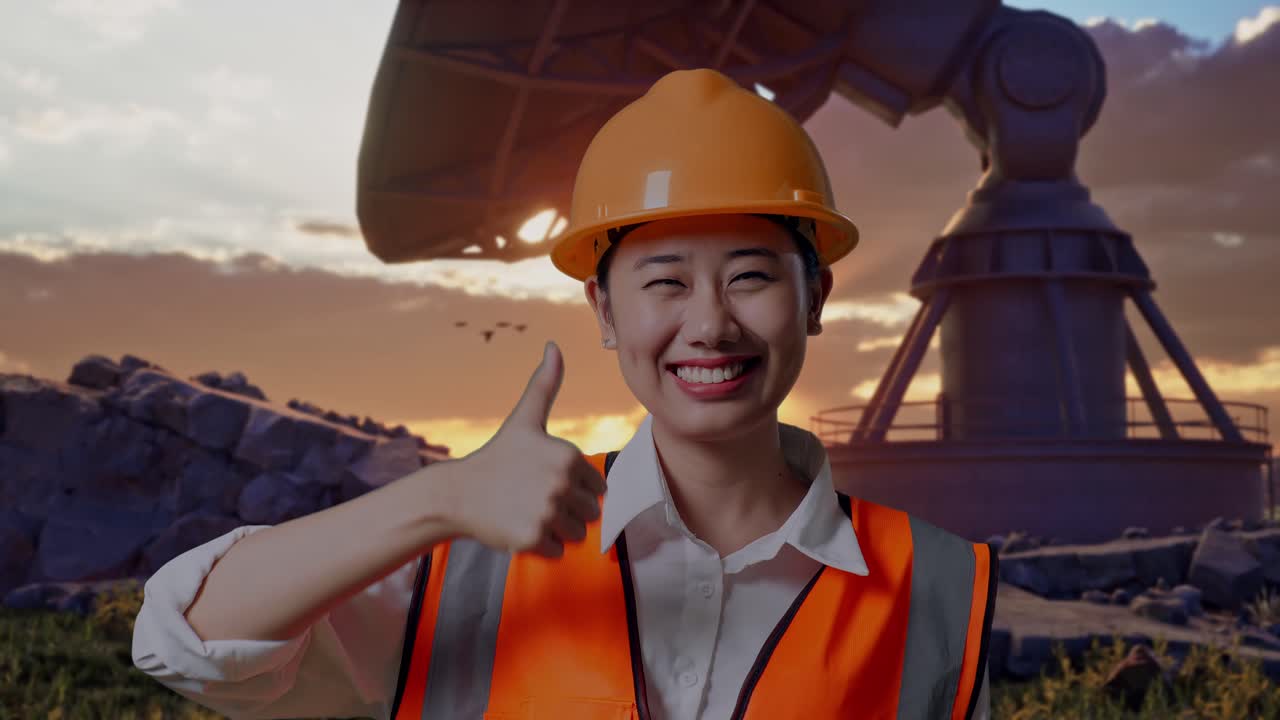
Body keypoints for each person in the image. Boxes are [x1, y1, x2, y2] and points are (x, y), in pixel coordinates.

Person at [133, 68, 996, 719]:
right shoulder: (472, 554)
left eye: (749, 277)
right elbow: (185, 641)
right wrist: (442, 496)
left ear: (814, 299)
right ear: (603, 310)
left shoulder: (940, 588)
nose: (710, 325)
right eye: (664, 282)